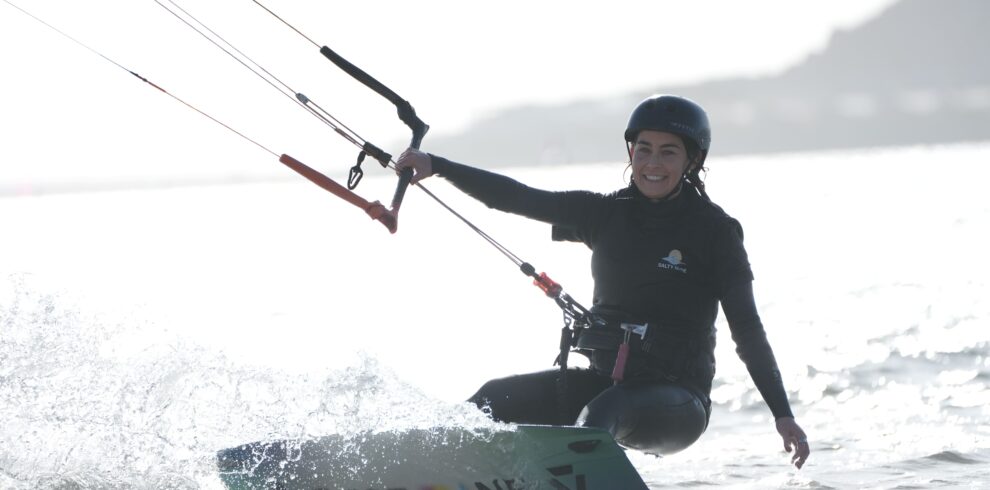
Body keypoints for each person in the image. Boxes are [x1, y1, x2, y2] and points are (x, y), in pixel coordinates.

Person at [396, 94, 810, 468]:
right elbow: (518, 197)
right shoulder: (605, 214)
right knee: (489, 400)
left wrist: (782, 414)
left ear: (692, 161)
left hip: (677, 401)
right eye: (643, 149)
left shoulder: (715, 232)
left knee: (599, 417)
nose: (652, 163)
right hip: (604, 384)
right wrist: (438, 166)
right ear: (631, 150)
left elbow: (748, 329)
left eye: (668, 152)